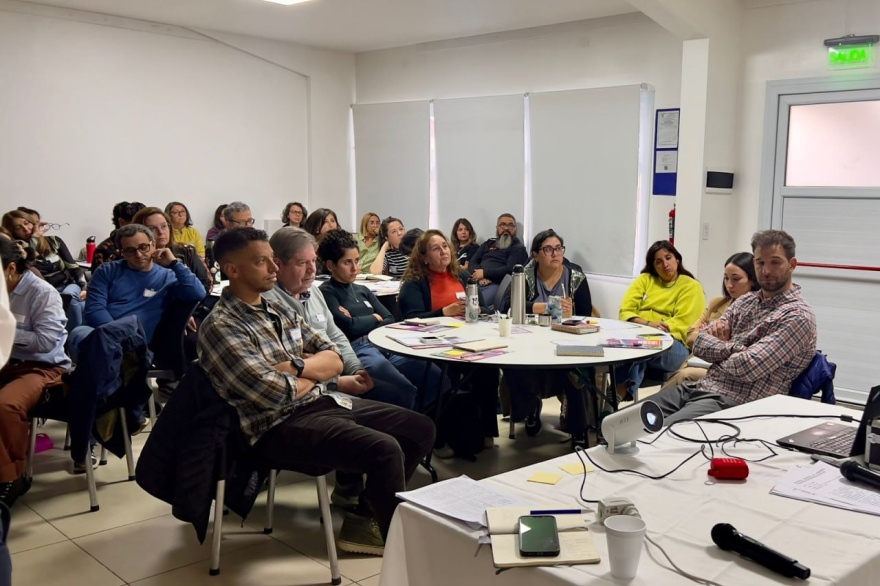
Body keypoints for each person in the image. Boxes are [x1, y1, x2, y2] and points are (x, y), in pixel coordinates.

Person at [197, 227, 434, 555]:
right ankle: (392, 538)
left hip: (318, 402)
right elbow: (274, 395)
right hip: (274, 426)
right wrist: (313, 369)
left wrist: (295, 368)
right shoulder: (222, 326)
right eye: (262, 262)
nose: (273, 269)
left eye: (272, 260)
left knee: (420, 428)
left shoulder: (277, 309)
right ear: (232, 269)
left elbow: (333, 354)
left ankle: (366, 516)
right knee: (385, 449)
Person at [646, 230, 817, 425]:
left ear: (792, 265)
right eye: (760, 263)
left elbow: (747, 367)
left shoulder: (797, 316)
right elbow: (700, 344)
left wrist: (721, 348)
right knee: (622, 423)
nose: (766, 270)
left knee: (654, 433)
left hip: (737, 404)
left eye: (775, 262)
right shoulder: (746, 301)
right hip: (700, 388)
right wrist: (734, 348)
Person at [319, 230, 449, 411]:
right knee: (403, 389)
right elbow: (348, 327)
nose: (355, 268)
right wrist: (373, 317)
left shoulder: (362, 289)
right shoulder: (326, 292)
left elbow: (389, 319)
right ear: (331, 265)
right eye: (347, 263)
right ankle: (408, 424)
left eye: (356, 261)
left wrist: (361, 320)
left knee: (437, 378)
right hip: (358, 347)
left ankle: (418, 421)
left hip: (385, 342)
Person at [398, 229, 500, 454]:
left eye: (445, 246)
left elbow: (483, 308)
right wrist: (444, 312)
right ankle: (440, 438)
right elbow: (410, 319)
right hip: (433, 346)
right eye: (436, 248)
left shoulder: (462, 277)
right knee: (447, 373)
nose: (443, 251)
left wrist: (478, 310)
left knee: (489, 370)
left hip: (467, 341)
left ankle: (485, 430)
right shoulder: (414, 283)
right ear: (424, 257)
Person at [498, 229, 593, 447]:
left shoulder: (575, 277)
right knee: (514, 366)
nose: (555, 253)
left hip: (566, 338)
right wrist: (544, 307)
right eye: (548, 249)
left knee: (576, 370)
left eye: (558, 248)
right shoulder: (524, 274)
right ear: (535, 254)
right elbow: (506, 306)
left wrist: (572, 314)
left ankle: (578, 429)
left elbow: (586, 314)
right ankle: (530, 408)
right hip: (528, 341)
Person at [0, 239, 70, 508]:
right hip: (7, 362)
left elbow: (46, 341)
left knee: (6, 405)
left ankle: (12, 477)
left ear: (11, 268)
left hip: (43, 366)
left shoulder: (41, 292)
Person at [68, 224, 207, 353]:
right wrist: (115, 335)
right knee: (79, 334)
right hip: (103, 332)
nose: (139, 255)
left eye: (143, 247)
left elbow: (198, 293)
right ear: (122, 252)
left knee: (102, 351)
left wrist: (174, 263)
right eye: (130, 250)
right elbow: (95, 309)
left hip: (137, 340)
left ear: (153, 246)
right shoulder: (107, 271)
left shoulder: (168, 276)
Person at [615, 240, 705, 400]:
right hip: (641, 339)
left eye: (668, 258)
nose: (665, 264)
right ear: (654, 266)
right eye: (659, 262)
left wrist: (644, 326)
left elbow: (683, 325)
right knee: (628, 352)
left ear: (677, 259)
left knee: (639, 349)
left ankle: (617, 396)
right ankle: (619, 400)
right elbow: (625, 311)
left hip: (675, 346)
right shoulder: (645, 280)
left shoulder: (691, 286)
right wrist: (649, 325)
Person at [663, 252, 760, 389]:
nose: (729, 285)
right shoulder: (717, 304)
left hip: (725, 370)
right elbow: (690, 336)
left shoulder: (757, 310)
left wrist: (707, 336)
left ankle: (650, 408)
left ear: (753, 280)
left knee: (683, 376)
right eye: (726, 279)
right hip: (699, 361)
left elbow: (743, 350)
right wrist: (712, 337)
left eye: (736, 279)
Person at [2, 210, 86, 331]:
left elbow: (74, 267)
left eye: (27, 223)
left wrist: (85, 288)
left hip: (67, 285)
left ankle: (73, 336)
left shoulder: (54, 241)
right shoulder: (19, 251)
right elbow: (29, 262)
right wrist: (34, 238)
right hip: (43, 290)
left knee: (70, 297)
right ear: (12, 231)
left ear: (33, 222)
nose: (25, 229)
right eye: (18, 227)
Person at [132, 208, 212, 295]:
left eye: (164, 226)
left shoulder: (186, 250)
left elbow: (206, 285)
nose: (161, 232)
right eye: (152, 229)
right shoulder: (136, 256)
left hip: (186, 304)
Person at [468, 213, 529, 304]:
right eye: (503, 225)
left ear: (515, 229)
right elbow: (473, 261)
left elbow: (510, 270)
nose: (506, 228)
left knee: (474, 305)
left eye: (510, 225)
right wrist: (479, 277)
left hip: (496, 284)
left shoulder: (518, 248)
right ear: (497, 228)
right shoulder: (488, 243)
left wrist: (485, 273)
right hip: (477, 280)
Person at [91, 201, 145, 271]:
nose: (143, 230)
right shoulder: (104, 250)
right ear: (122, 223)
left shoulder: (152, 244)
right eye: (138, 225)